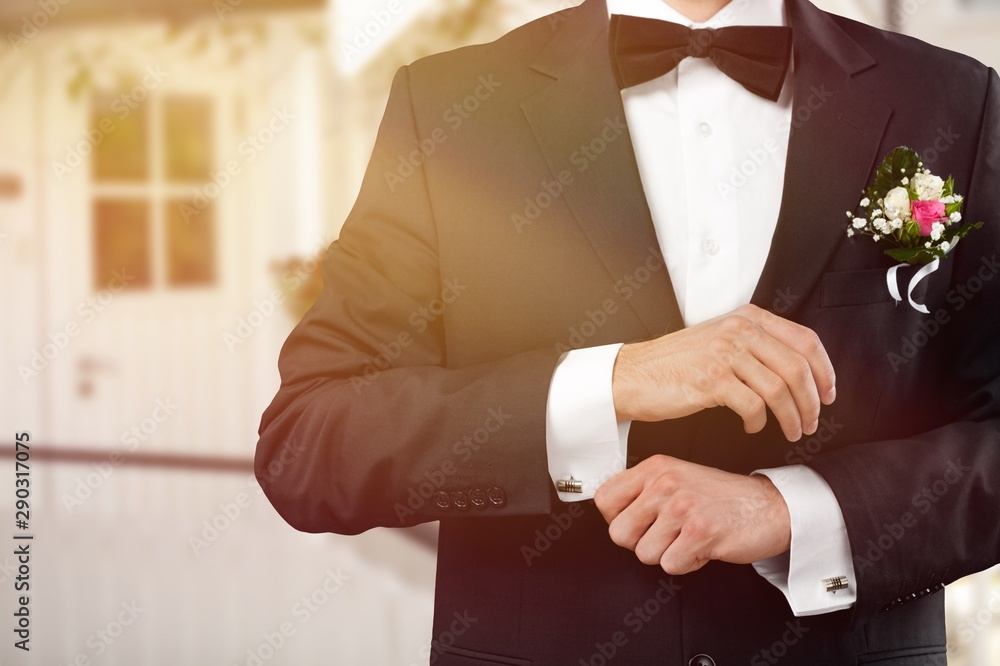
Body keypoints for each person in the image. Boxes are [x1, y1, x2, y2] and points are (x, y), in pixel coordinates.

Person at [255, 0, 1000, 663]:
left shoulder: (952, 100)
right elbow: (311, 444)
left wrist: (795, 511)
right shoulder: (449, 105)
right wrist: (611, 383)